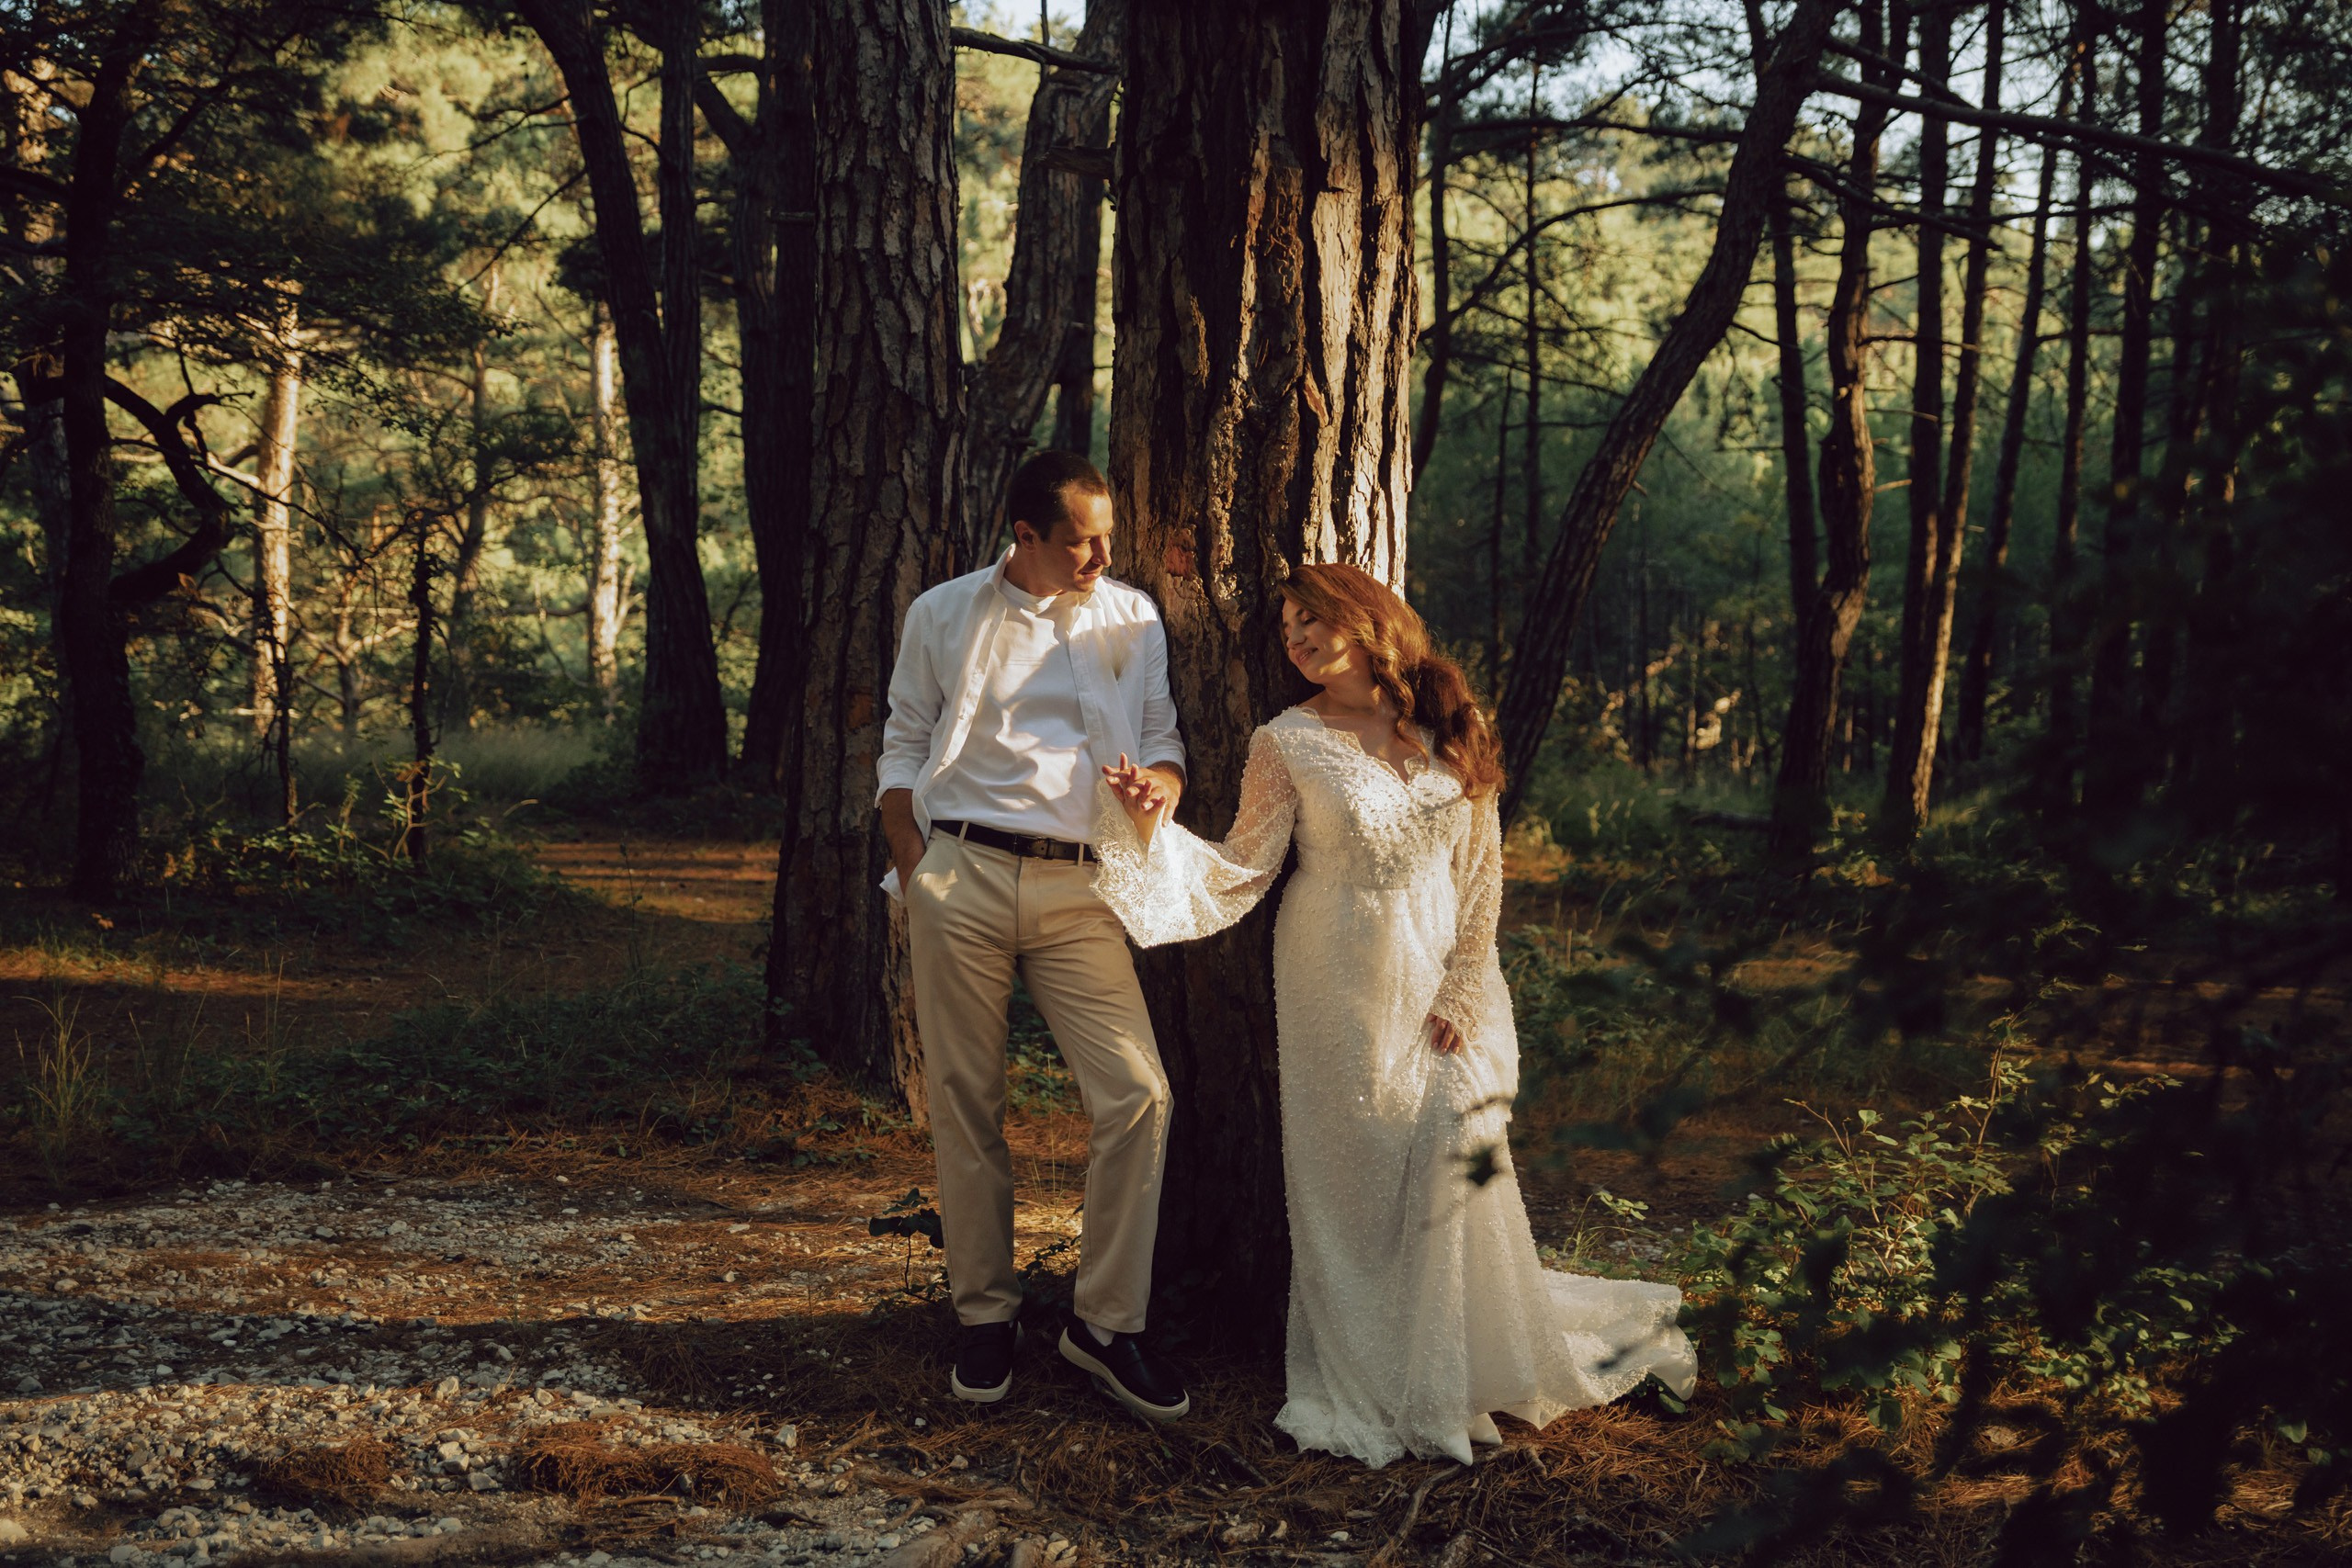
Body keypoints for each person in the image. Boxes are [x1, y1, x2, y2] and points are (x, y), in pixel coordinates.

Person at [1092, 562, 1696, 1467]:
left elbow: (1482, 870)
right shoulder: (1286, 740)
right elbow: (1244, 867)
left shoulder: (1452, 722)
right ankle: (1381, 1373)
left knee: (1454, 1144)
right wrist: (1148, 827)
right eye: (1287, 629)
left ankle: (1462, 1363)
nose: (1296, 640)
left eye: (1310, 619)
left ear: (1366, 618)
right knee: (1357, 1179)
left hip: (1442, 969)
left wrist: (1464, 982)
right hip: (1334, 974)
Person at [876, 450, 1192, 1422]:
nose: (1103, 557)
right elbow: (903, 742)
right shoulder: (942, 613)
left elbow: (1163, 740)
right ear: (1024, 536)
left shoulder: (1131, 617)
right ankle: (985, 1315)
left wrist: (1157, 790)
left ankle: (1105, 1323)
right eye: (1081, 542)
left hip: (1080, 888)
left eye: (1107, 538)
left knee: (1139, 1094)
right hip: (962, 874)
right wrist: (918, 866)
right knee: (965, 1098)